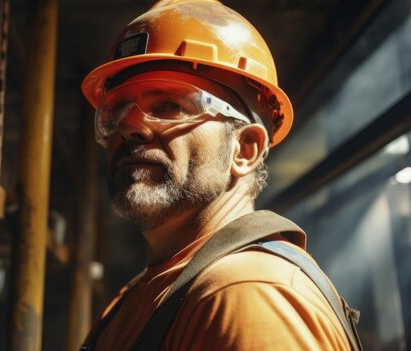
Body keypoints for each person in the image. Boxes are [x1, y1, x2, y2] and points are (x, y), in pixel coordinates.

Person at [79, 0, 362, 350]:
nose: (130, 125)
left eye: (170, 106)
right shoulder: (140, 295)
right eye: (117, 110)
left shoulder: (247, 292)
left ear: (244, 149)